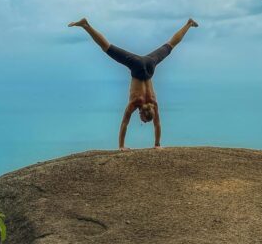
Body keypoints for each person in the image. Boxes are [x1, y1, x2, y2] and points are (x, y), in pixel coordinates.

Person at [68, 17, 198, 150]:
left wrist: (157, 144)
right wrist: (121, 146)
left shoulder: (154, 104)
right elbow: (125, 123)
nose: (141, 120)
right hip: (137, 65)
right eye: (143, 119)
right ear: (141, 113)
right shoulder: (135, 103)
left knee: (170, 45)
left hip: (149, 64)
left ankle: (188, 24)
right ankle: (86, 25)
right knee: (107, 47)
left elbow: (157, 124)